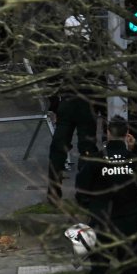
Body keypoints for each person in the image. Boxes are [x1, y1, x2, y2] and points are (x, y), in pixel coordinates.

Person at [76, 116, 137, 274]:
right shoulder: (133, 160)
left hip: (102, 219)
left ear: (107, 132)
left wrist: (88, 207)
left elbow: (81, 187)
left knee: (100, 269)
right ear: (127, 132)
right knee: (131, 269)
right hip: (129, 221)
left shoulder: (95, 160)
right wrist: (131, 150)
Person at [47, 15, 101, 204]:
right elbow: (100, 81)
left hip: (67, 104)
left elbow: (52, 82)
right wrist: (101, 107)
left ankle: (54, 192)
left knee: (58, 148)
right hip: (87, 104)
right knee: (88, 149)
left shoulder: (60, 53)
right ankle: (85, 192)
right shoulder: (93, 52)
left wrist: (54, 107)